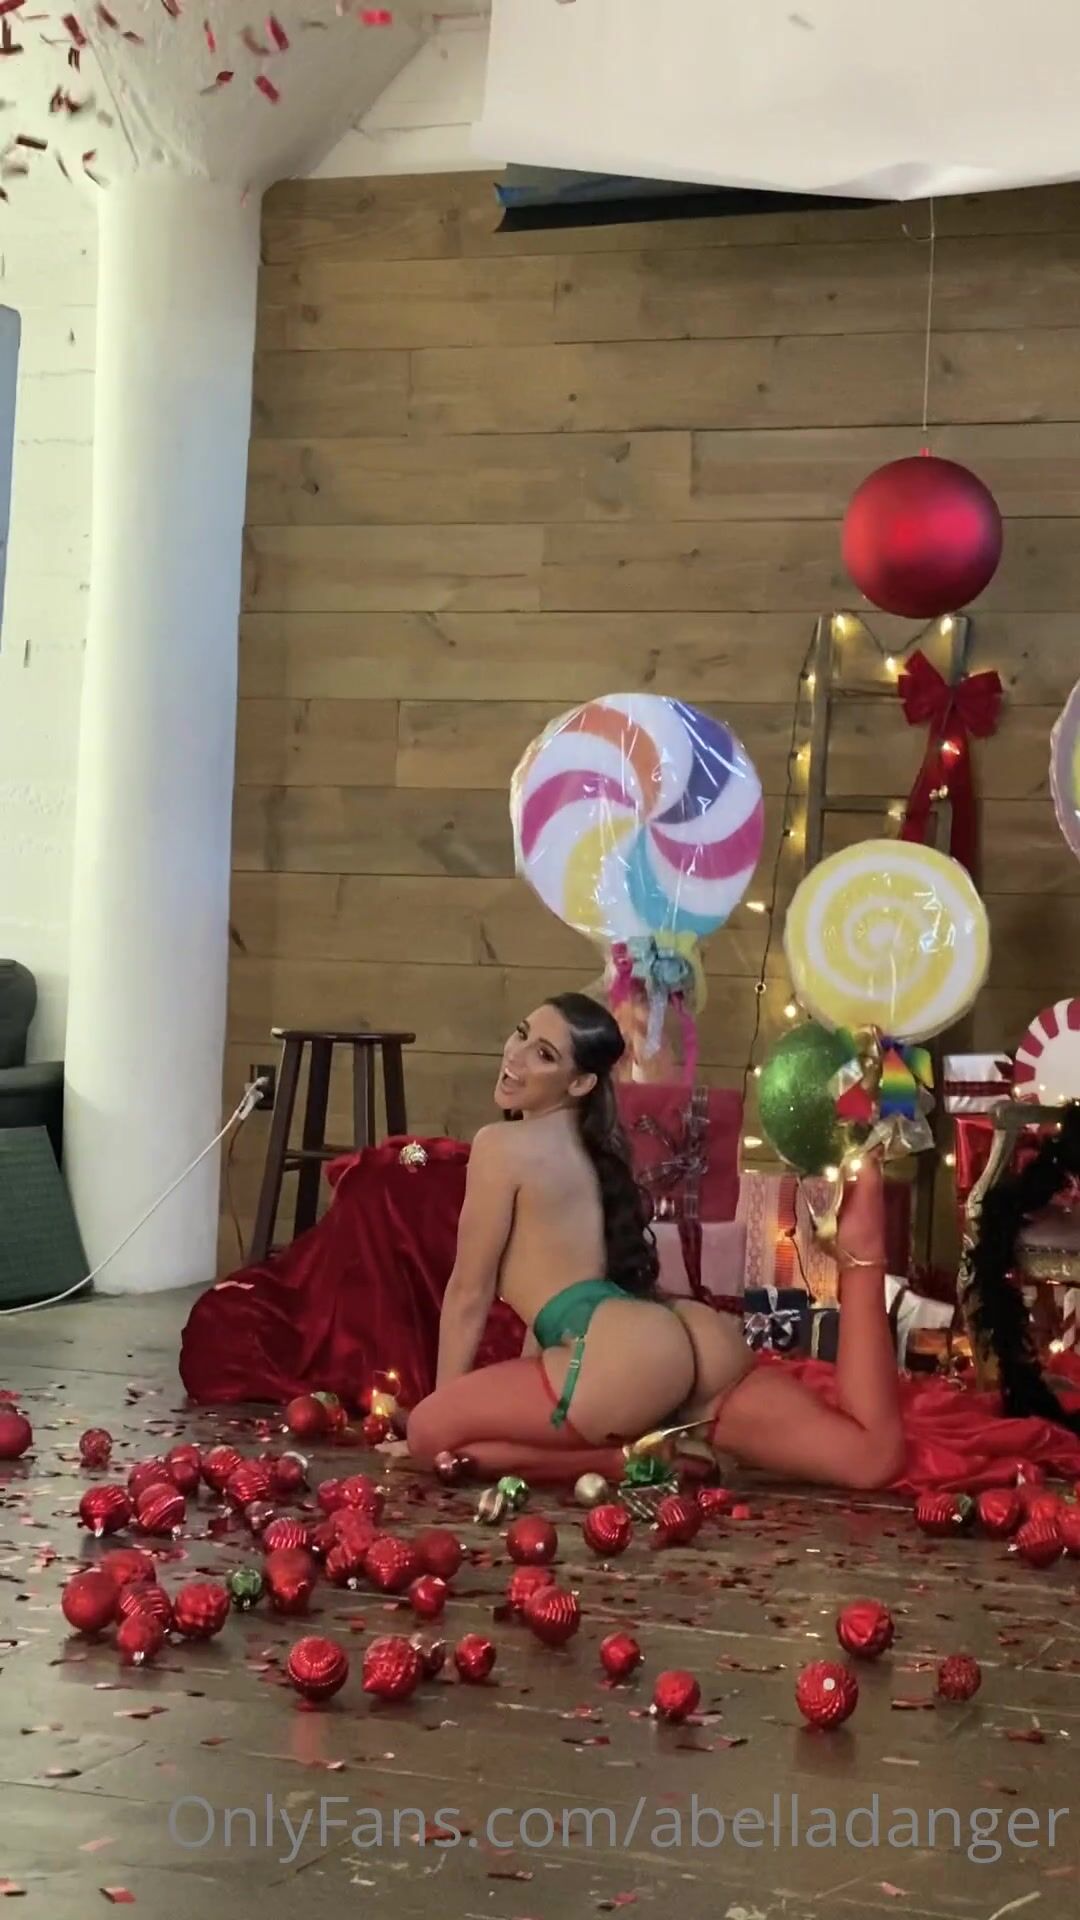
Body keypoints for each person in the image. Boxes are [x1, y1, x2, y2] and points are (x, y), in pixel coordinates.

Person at [406, 993, 904, 1491]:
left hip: (619, 1362)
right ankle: (863, 1247)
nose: (515, 1056)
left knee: (428, 1434)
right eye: (521, 1034)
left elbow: (469, 1292)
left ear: (580, 1083)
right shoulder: (592, 1147)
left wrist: (444, 1407)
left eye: (543, 1054)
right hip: (687, 1336)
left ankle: (625, 1460)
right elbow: (563, 1300)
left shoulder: (499, 1145)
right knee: (869, 1457)